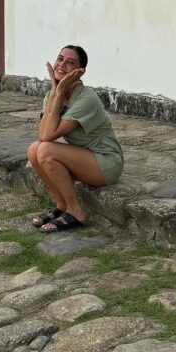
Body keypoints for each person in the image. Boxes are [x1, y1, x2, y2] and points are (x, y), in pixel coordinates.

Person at [26, 44, 124, 232]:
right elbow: (42, 134)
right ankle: (62, 205)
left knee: (45, 150)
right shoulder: (52, 95)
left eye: (70, 62)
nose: (62, 64)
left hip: (106, 162)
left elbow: (48, 136)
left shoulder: (86, 99)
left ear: (80, 72)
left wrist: (59, 92)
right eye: (60, 59)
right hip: (85, 156)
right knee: (33, 149)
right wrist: (56, 93)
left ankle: (76, 211)